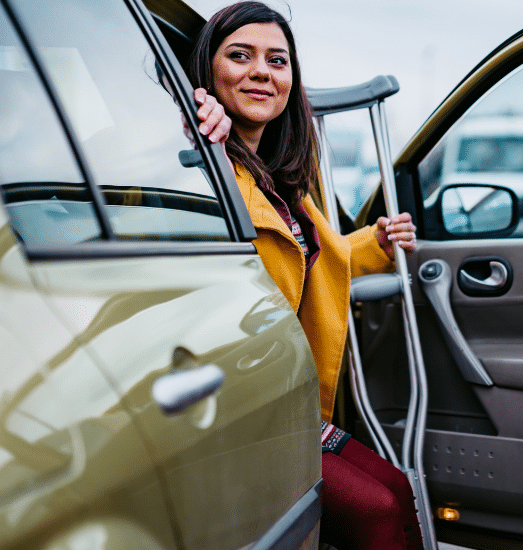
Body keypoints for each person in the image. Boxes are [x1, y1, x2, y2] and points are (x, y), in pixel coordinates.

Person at [187, 3, 424, 550]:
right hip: (241, 412)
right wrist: (201, 139)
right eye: (239, 56)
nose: (261, 73)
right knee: (377, 511)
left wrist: (377, 241)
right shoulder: (207, 166)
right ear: (207, 73)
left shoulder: (279, 181)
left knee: (395, 486)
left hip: (286, 402)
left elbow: (315, 255)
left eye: (278, 60)